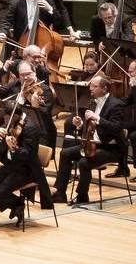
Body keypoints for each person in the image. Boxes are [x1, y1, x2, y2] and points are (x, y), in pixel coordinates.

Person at [52, 75, 128, 205]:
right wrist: (80, 124)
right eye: (91, 86)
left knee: (84, 162)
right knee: (64, 153)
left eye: (94, 86)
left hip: (110, 148)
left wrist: (98, 118)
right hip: (91, 144)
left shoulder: (116, 104)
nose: (90, 89)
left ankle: (82, 196)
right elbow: (91, 128)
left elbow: (116, 128)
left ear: (104, 88)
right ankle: (60, 193)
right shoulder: (92, 102)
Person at [0, 93, 45, 227]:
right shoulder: (10, 123)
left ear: (15, 116)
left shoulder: (31, 128)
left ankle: (17, 205)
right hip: (12, 166)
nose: (4, 121)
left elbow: (28, 154)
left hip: (28, 170)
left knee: (0, 192)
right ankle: (17, 205)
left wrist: (14, 148)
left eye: (6, 118)